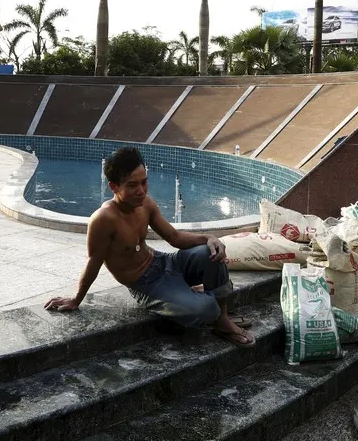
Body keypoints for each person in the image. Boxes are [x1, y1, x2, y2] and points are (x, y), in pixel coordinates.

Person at [44, 146, 256, 347]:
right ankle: (211, 310)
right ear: (114, 186)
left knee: (210, 253)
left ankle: (222, 319)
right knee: (204, 308)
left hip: (165, 262)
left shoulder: (145, 203)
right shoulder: (104, 219)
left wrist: (209, 238)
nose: (141, 190)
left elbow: (175, 237)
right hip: (146, 284)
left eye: (144, 182)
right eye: (132, 185)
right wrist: (76, 299)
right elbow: (94, 261)